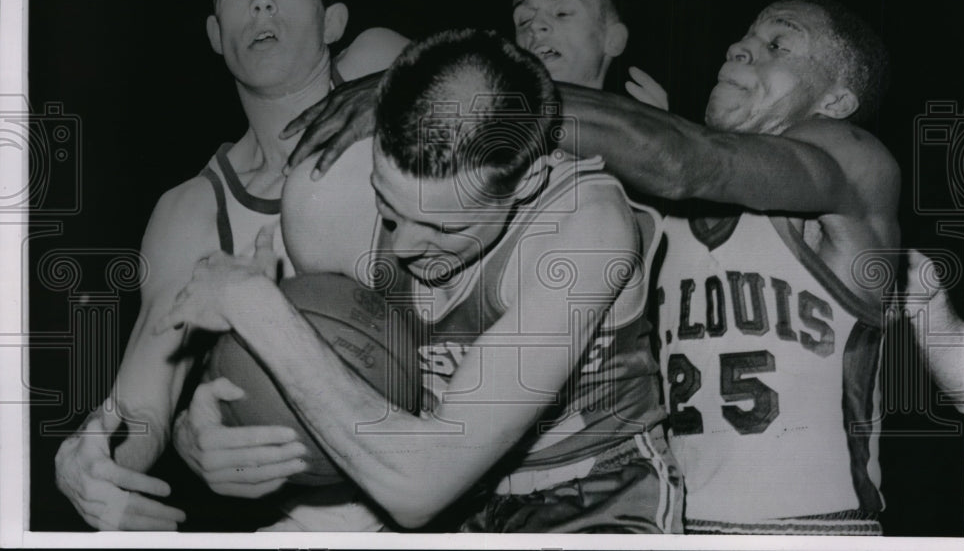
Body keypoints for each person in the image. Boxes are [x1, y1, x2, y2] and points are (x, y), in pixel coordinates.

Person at [281, 0, 916, 533]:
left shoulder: (854, 162)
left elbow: (682, 157)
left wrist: (446, 96)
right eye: (744, 36)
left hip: (811, 530)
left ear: (836, 99)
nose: (739, 48)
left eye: (780, 44)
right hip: (668, 518)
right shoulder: (638, 201)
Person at [156, 28, 683, 533]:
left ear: (528, 182)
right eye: (389, 207)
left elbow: (420, 486)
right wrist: (204, 429)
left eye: (441, 225)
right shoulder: (326, 202)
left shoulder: (586, 227)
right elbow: (324, 364)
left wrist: (255, 307)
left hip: (592, 494)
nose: (405, 246)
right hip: (443, 498)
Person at [54, 0, 408, 530]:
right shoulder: (192, 211)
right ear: (217, 33)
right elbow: (145, 402)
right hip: (331, 522)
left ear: (333, 22)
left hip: (473, 459)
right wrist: (94, 459)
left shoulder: (385, 67)